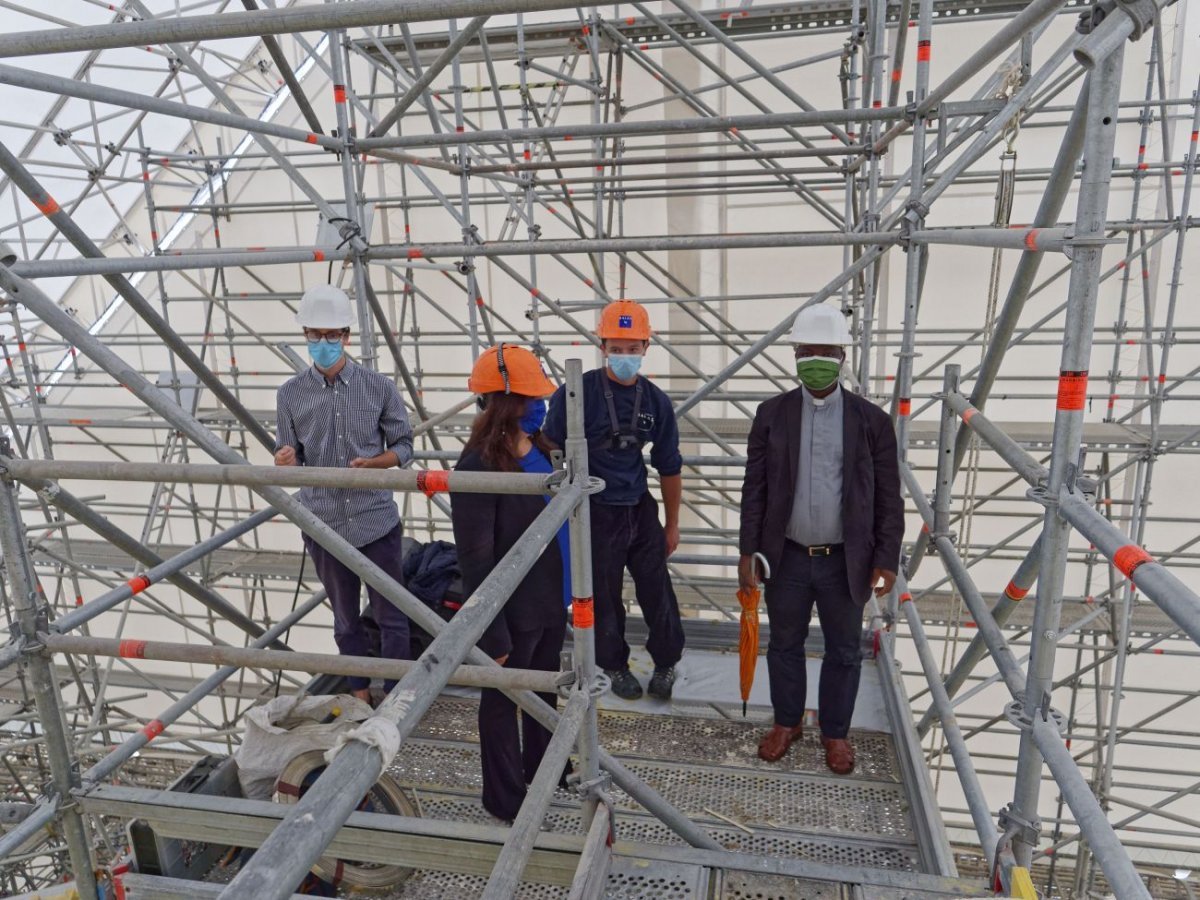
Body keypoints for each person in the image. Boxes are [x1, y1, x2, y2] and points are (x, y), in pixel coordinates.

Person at [738, 303, 903, 775]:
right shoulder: (772, 414)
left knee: (844, 651)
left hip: (845, 560)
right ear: (794, 354)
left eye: (825, 352)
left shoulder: (871, 422)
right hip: (784, 557)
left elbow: (889, 497)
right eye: (806, 351)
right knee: (784, 644)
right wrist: (747, 551)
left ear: (842, 355)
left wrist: (886, 557)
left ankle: (835, 733)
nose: (816, 359)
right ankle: (786, 723)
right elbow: (756, 488)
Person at [274, 284, 414, 706]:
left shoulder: (378, 387)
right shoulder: (289, 394)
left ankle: (395, 694)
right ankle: (359, 695)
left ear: (347, 336)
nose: (322, 344)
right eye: (314, 336)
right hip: (323, 522)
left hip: (375, 519)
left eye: (330, 336)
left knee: (392, 614)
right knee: (344, 618)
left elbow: (405, 446)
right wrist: (284, 462)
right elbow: (291, 457)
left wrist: (377, 464)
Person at [450, 344, 569, 823]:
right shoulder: (478, 465)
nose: (539, 405)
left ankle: (545, 770)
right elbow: (475, 558)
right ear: (502, 402)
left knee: (545, 688)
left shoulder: (542, 447)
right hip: (512, 610)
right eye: (529, 398)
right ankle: (504, 796)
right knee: (502, 701)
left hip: (551, 600)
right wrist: (491, 631)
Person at [544, 300, 684, 701]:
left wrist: (671, 525)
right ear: (602, 346)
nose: (625, 357)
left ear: (646, 347)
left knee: (656, 588)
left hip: (639, 508)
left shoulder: (655, 401)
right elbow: (550, 441)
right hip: (595, 510)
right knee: (603, 593)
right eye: (616, 348)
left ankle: (666, 662)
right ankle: (615, 665)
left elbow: (669, 466)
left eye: (632, 348)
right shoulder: (577, 392)